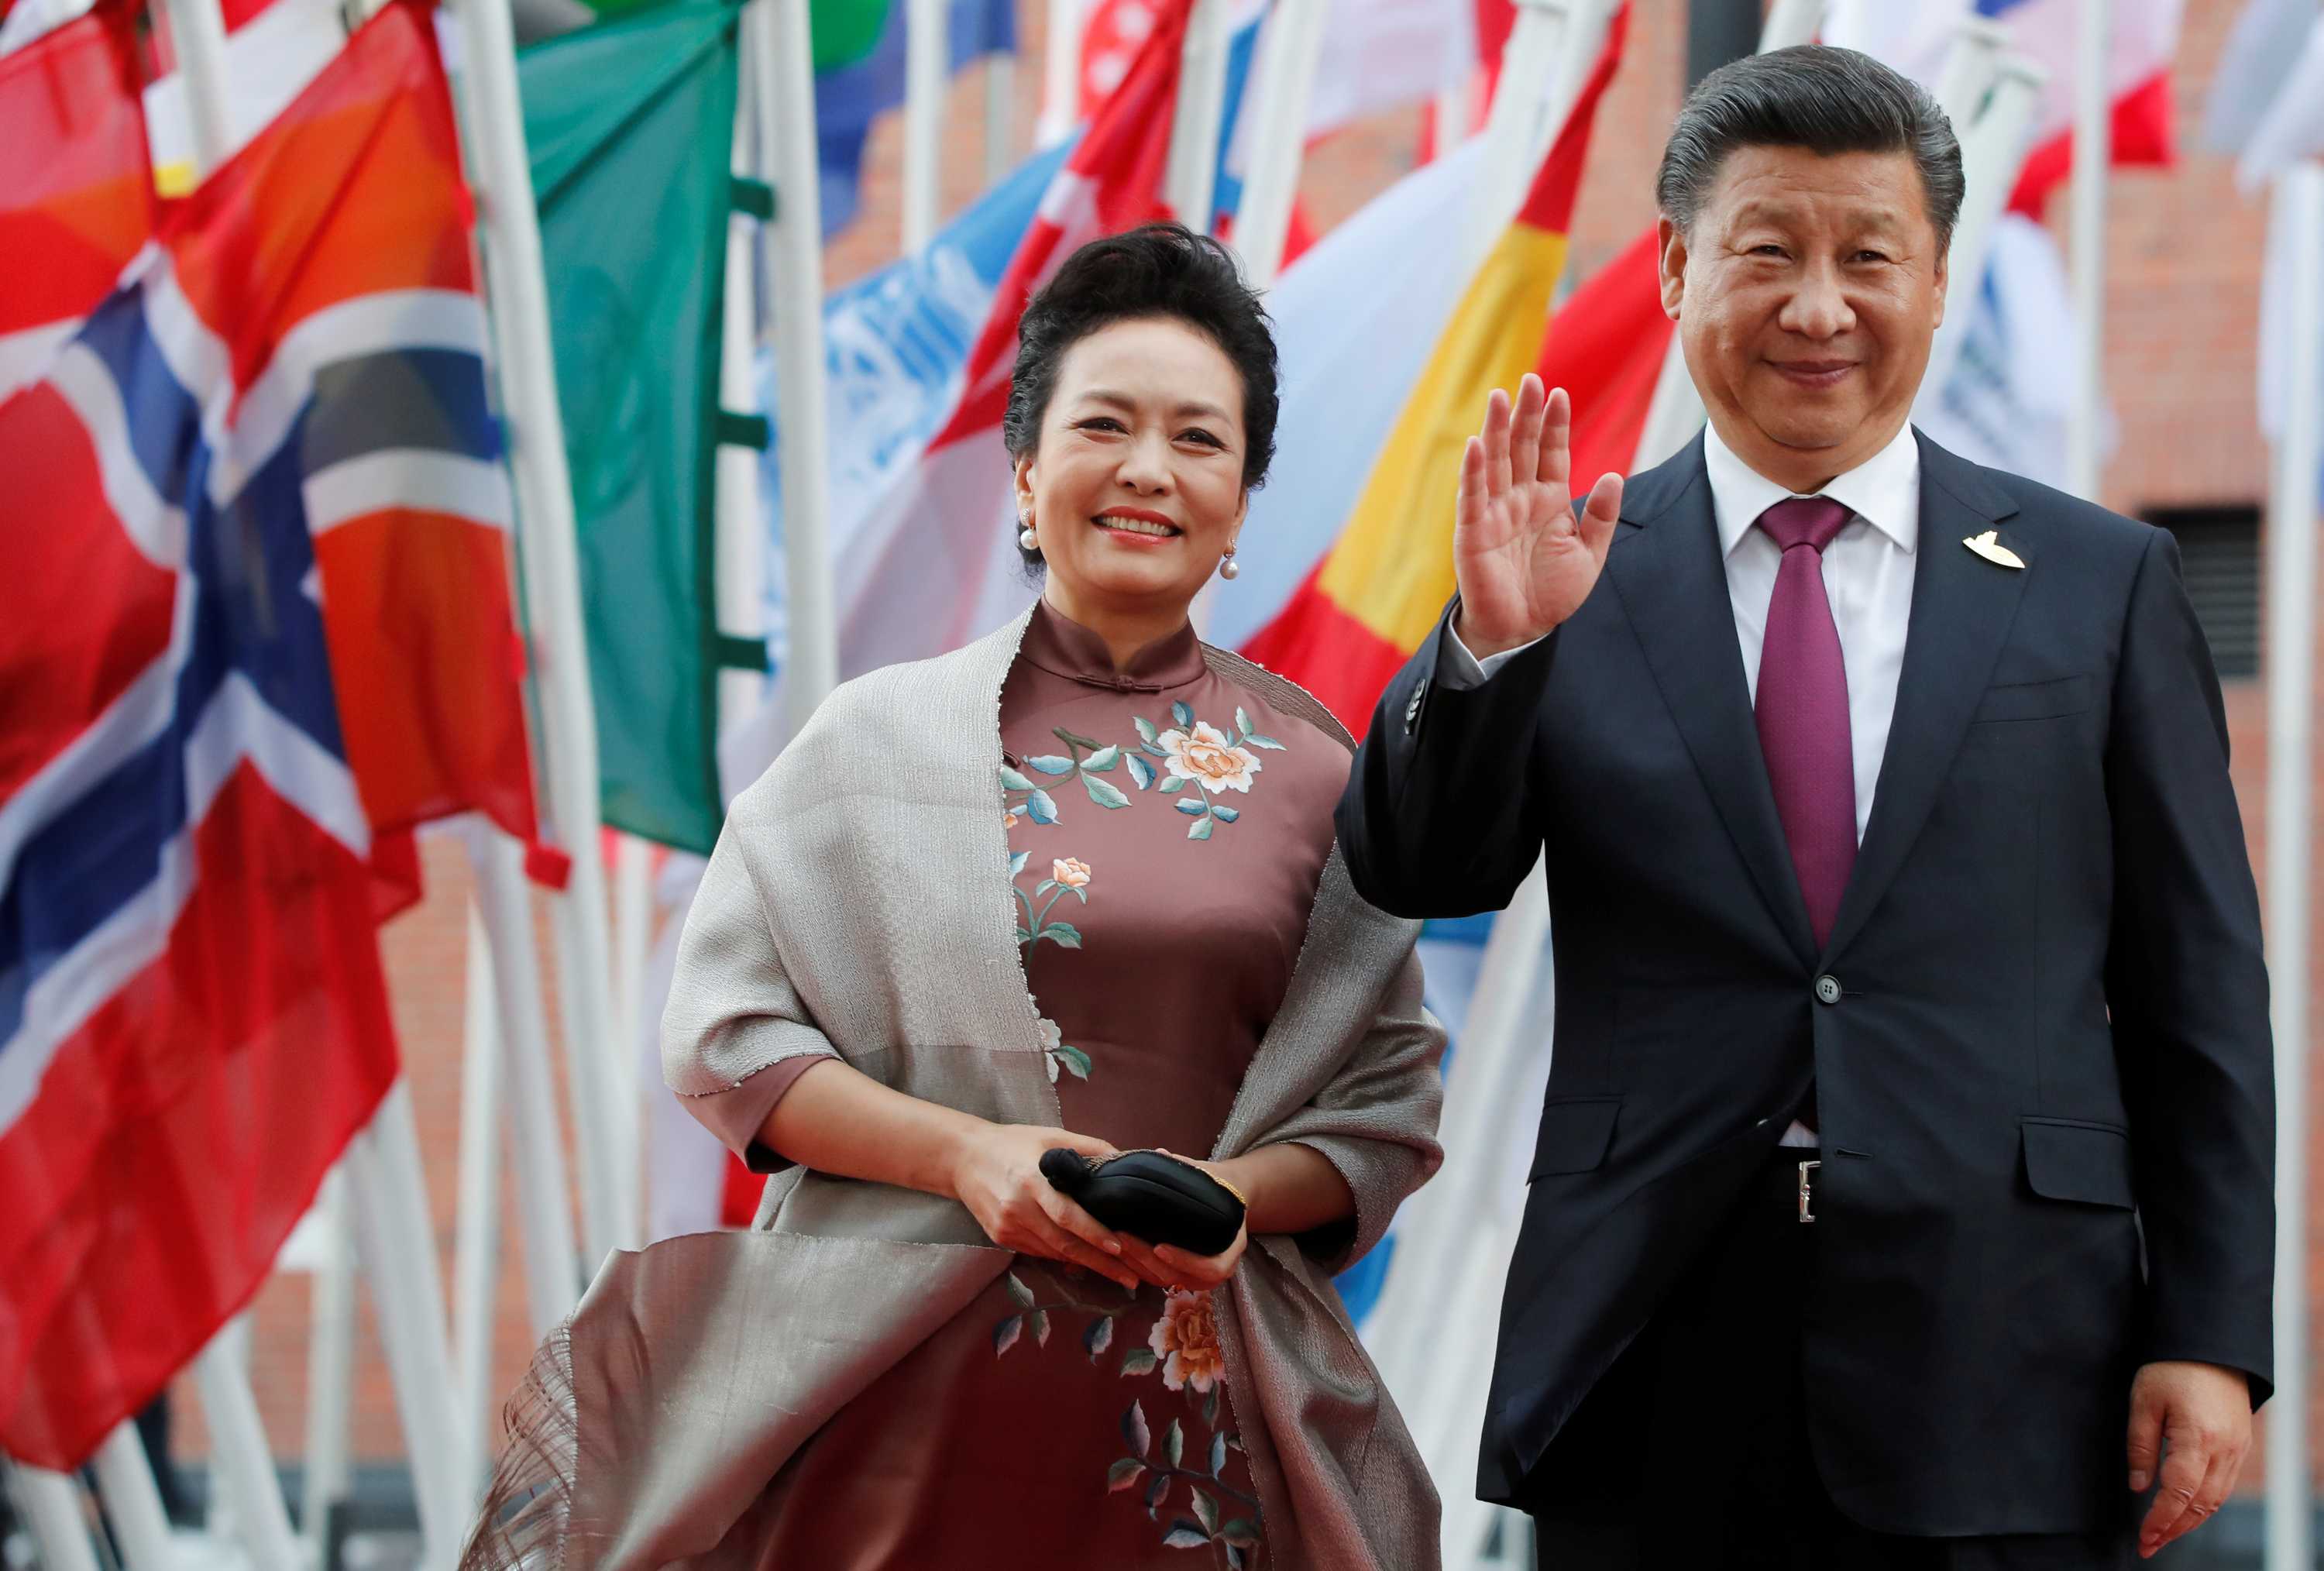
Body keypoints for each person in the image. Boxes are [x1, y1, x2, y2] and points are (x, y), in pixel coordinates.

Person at [1335, 45, 2273, 1571]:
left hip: (2013, 1360)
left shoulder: (2099, 585)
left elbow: (2199, 998)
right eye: (1768, 252)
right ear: (1676, 267)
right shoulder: (1575, 564)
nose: (1819, 308)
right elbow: (1417, 866)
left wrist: (2215, 1336)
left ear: (1939, 279)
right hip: (1651, 1354)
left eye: (1869, 257)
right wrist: (1492, 646)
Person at [462, 222, 1446, 1571]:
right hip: (882, 1424)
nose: (1149, 468)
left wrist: (1228, 1196)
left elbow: (1383, 1102)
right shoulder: (874, 744)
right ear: (1029, 469)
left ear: (1241, 501)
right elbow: (728, 1038)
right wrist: (971, 1160)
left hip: (1190, 1446)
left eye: (1199, 439)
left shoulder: (1317, 772)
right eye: (1107, 424)